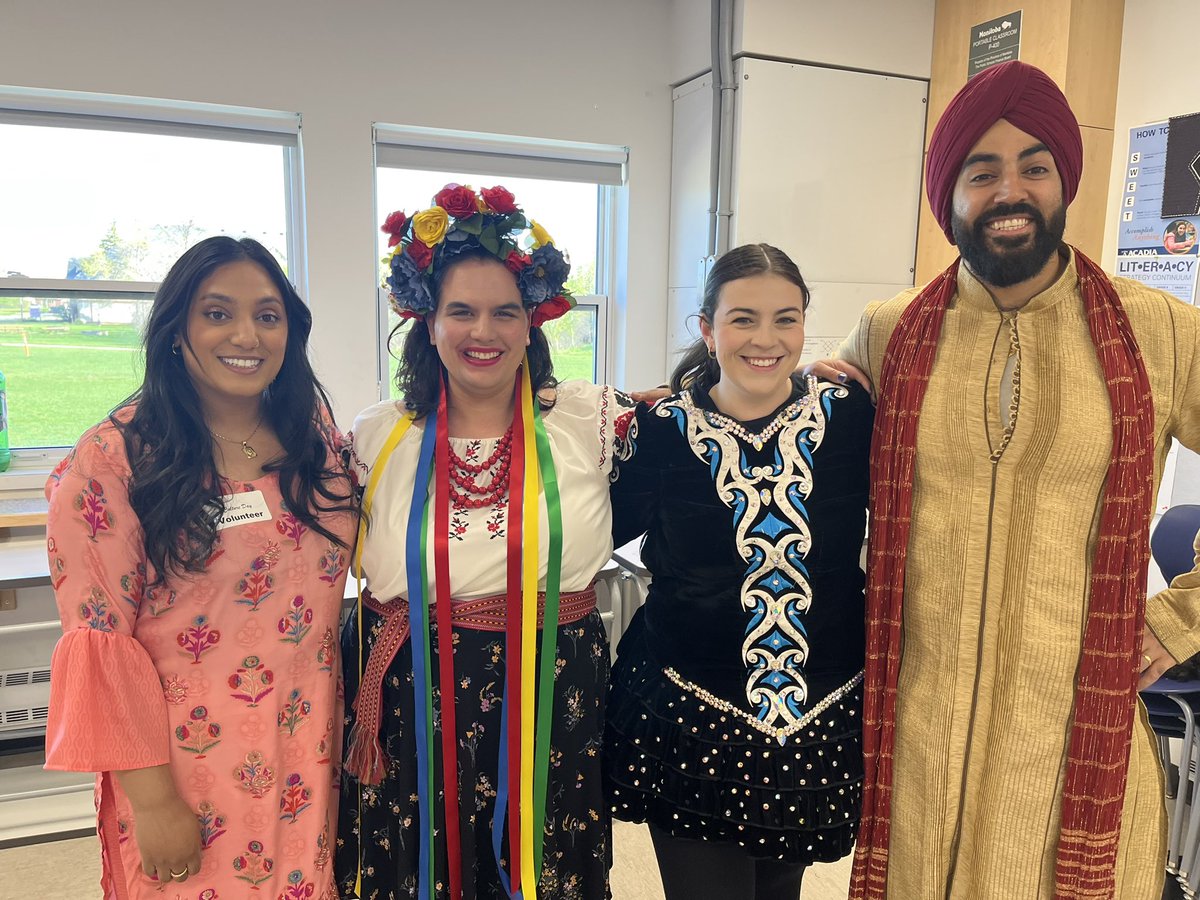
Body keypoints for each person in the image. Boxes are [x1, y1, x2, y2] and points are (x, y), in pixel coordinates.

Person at [819, 60, 1200, 899]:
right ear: (949, 193)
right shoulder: (889, 332)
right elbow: (788, 439)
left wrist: (1181, 621)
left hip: (1073, 738)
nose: (1010, 191)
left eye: (1035, 166)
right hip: (919, 740)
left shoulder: (1160, 331)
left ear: (1064, 182)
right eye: (982, 170)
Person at [336, 184, 634, 900]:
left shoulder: (590, 422)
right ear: (427, 322)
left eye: (506, 312)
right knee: (421, 862)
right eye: (461, 311)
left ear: (533, 324)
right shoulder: (377, 436)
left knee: (542, 859)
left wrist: (815, 369)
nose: (484, 331)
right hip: (411, 685)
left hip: (551, 682)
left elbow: (701, 418)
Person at [43, 236, 357, 899]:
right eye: (217, 313)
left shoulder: (314, 439)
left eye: (267, 315)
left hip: (307, 755)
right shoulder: (116, 458)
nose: (246, 335)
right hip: (185, 766)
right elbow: (100, 643)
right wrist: (154, 803)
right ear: (176, 330)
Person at [604, 244, 874, 900]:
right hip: (689, 713)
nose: (765, 339)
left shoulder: (851, 417)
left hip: (817, 718)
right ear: (707, 328)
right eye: (743, 319)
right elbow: (593, 533)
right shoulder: (661, 429)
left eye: (786, 319)